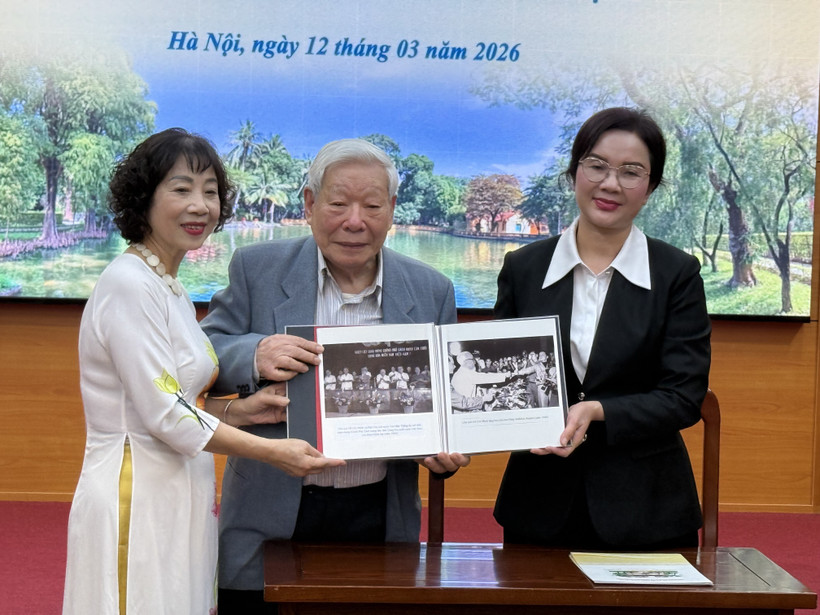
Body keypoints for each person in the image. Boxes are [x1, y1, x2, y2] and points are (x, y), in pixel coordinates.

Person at [61, 129, 343, 615]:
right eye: (181, 189)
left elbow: (177, 401)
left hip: (182, 485)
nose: (200, 205)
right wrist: (276, 453)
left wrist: (241, 410)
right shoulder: (129, 285)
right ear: (144, 197)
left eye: (210, 191)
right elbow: (166, 416)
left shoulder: (165, 283)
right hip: (137, 491)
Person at [200, 138, 469, 613]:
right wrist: (255, 352)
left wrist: (449, 441)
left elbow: (448, 402)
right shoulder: (257, 268)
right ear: (309, 203)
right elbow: (204, 352)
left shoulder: (432, 290)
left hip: (379, 510)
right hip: (271, 507)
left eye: (371, 205)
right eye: (339, 203)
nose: (354, 221)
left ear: (392, 209)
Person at [493, 107, 711, 550]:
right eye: (596, 166)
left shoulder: (676, 274)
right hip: (539, 503)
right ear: (574, 172)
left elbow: (682, 397)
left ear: (650, 188)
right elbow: (503, 375)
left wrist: (597, 411)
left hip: (647, 508)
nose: (610, 184)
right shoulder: (523, 267)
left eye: (631, 172)